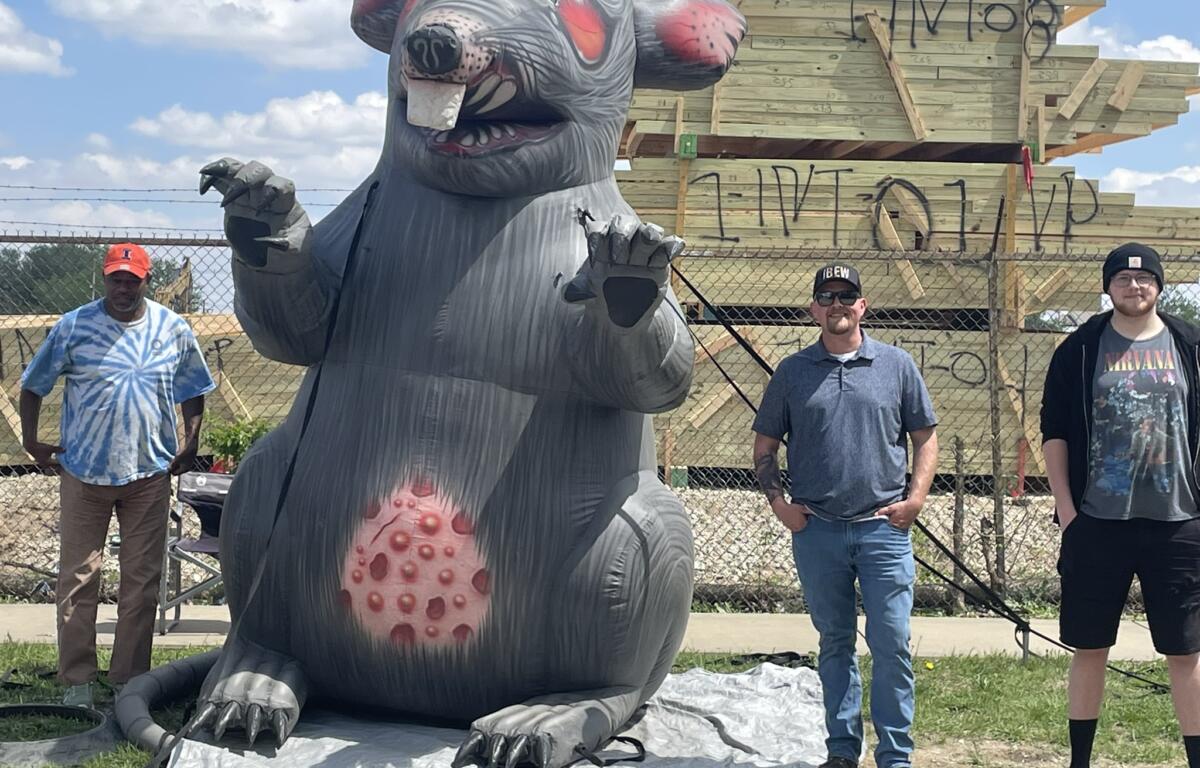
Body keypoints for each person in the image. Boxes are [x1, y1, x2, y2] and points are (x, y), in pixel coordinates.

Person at [751, 263, 938, 768]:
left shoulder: (896, 366)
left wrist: (916, 499)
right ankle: (842, 750)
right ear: (813, 309)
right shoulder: (792, 373)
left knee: (892, 643)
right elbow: (765, 445)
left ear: (863, 306)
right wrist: (779, 505)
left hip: (884, 529)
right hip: (818, 531)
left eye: (846, 295)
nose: (837, 304)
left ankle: (895, 755)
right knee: (834, 642)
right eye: (826, 296)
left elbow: (925, 438)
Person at [19, 242, 216, 708]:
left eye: (133, 279)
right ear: (104, 279)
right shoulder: (74, 326)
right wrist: (30, 440)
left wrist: (190, 442)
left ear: (147, 281)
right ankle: (78, 682)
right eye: (115, 278)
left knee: (141, 581)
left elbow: (194, 389)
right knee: (79, 579)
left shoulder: (173, 330)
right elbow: (33, 384)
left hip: (148, 475)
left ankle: (130, 681)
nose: (123, 287)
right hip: (84, 473)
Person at [1041, 242, 1200, 768]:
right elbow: (1055, 432)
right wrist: (1068, 510)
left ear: (1160, 285)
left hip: (1177, 521)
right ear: (1108, 286)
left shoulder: (1190, 343)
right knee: (1090, 647)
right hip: (1098, 522)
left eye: (1145, 279)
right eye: (1124, 279)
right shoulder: (1081, 347)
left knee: (1185, 650)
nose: (1135, 287)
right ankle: (1080, 760)